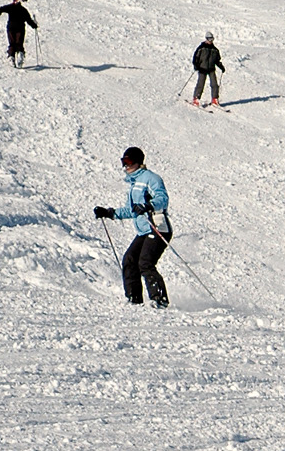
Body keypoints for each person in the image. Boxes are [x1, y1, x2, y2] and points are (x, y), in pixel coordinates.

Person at [91, 147, 172, 308]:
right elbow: (132, 210)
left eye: (128, 162)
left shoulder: (151, 178)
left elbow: (162, 198)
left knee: (145, 262)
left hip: (157, 227)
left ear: (138, 162)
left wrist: (148, 205)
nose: (125, 166)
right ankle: (134, 299)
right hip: (144, 230)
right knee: (129, 259)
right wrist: (110, 213)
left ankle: (159, 300)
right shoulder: (134, 184)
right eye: (123, 162)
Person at [0, 0, 37, 68]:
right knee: (18, 43)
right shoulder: (23, 10)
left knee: (13, 43)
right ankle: (18, 57)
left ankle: (13, 57)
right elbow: (29, 20)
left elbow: (0, 9)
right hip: (19, 28)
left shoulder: (11, 7)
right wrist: (34, 25)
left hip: (12, 28)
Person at [189, 32, 224, 107]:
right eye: (210, 39)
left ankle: (215, 99)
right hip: (202, 68)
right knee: (200, 84)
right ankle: (196, 98)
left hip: (211, 69)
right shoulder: (201, 48)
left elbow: (217, 60)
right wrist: (196, 65)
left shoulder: (215, 50)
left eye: (212, 39)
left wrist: (221, 67)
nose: (211, 41)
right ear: (206, 39)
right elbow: (196, 58)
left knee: (214, 84)